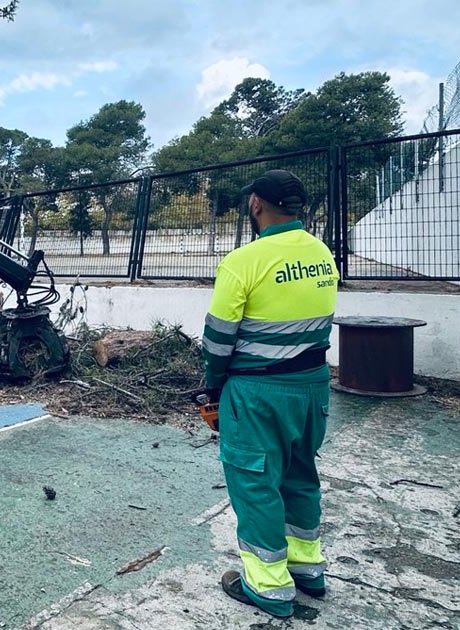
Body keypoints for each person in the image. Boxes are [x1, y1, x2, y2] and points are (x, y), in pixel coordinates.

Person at [201, 169, 338, 619]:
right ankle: (307, 569)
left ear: (256, 203)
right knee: (300, 475)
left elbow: (218, 339)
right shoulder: (322, 254)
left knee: (256, 484)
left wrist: (215, 386)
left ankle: (268, 586)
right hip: (313, 385)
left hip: (257, 392)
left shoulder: (244, 262)